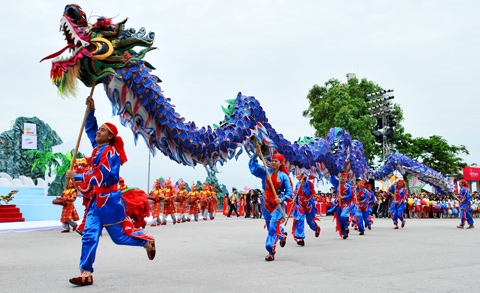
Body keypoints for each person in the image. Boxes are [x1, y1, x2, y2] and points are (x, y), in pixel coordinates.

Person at [65, 96, 155, 286]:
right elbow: (89, 130)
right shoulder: (98, 149)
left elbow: (101, 176)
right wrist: (91, 111)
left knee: (119, 238)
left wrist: (78, 176)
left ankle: (146, 242)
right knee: (89, 235)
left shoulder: (111, 153)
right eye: (99, 129)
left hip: (110, 202)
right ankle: (86, 272)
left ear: (110, 137)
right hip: (96, 202)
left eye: (102, 130)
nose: (98, 132)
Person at [249, 144, 293, 261]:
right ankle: (282, 235)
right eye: (272, 160)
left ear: (280, 163)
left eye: (276, 161)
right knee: (270, 228)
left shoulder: (284, 176)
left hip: (277, 204)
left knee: (273, 227)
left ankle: (271, 251)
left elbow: (289, 192)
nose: (273, 162)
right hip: (266, 202)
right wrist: (256, 155)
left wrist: (282, 198)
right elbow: (253, 168)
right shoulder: (265, 172)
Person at [291, 173, 321, 246]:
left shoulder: (309, 183)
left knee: (310, 221)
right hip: (300, 205)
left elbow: (308, 193)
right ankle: (301, 238)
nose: (296, 175)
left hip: (309, 204)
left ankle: (316, 228)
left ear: (303, 175)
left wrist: (303, 184)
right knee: (300, 219)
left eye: (298, 174)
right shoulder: (297, 184)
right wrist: (294, 197)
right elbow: (295, 193)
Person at [328, 173, 352, 239]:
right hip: (338, 204)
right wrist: (333, 172)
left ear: (346, 178)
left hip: (345, 204)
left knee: (343, 216)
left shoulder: (348, 186)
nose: (343, 178)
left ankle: (346, 226)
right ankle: (344, 233)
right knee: (339, 219)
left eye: (344, 177)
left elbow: (350, 195)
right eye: (341, 177)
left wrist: (343, 197)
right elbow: (332, 179)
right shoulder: (337, 184)